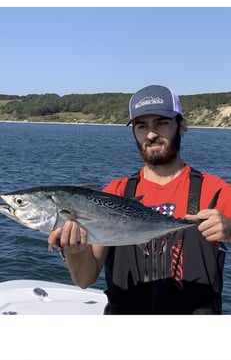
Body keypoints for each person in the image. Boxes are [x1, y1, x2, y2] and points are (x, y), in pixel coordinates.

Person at [48, 84, 231, 314]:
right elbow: (85, 279)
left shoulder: (214, 190)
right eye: (141, 126)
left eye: (161, 123)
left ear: (182, 126)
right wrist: (75, 251)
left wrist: (230, 230)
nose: (151, 134)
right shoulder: (115, 191)